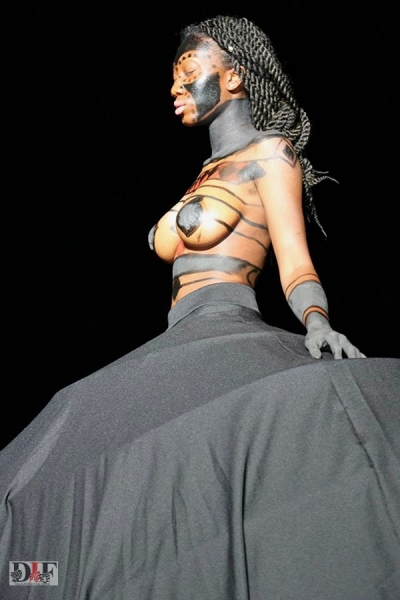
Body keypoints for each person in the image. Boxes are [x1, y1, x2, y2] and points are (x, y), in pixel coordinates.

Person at [0, 14, 399, 600]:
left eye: (188, 70)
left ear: (234, 77)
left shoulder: (271, 155)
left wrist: (318, 323)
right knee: (64, 427)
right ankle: (39, 575)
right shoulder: (201, 177)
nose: (175, 86)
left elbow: (295, 259)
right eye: (173, 75)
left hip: (229, 327)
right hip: (176, 338)